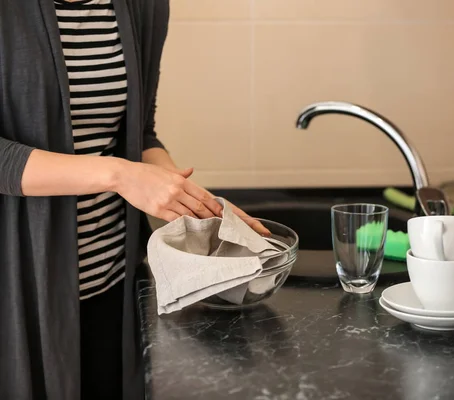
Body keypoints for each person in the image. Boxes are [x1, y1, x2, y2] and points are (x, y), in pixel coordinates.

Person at [0, 1, 267, 399]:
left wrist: (195, 204)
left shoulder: (145, 6)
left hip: (113, 283)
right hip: (20, 290)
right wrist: (118, 175)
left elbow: (139, 132)